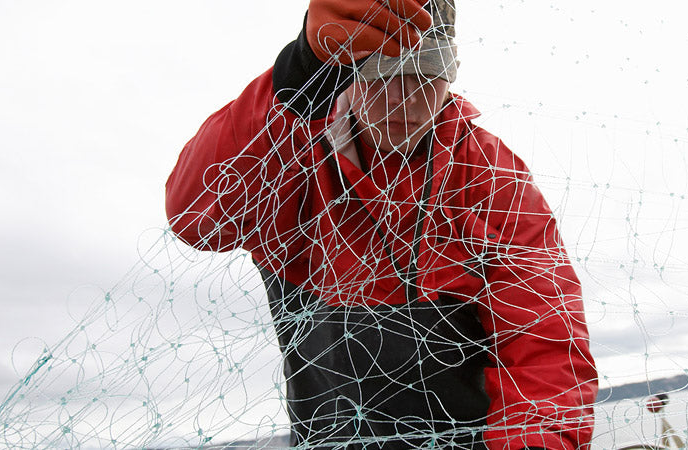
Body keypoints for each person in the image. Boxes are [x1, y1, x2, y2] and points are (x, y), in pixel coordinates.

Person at [165, 0, 597, 448]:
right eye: (381, 68)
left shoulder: (492, 177)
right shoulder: (290, 149)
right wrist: (298, 71)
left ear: (452, 69)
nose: (403, 96)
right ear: (344, 69)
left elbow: (544, 342)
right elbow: (194, 217)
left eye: (428, 68)